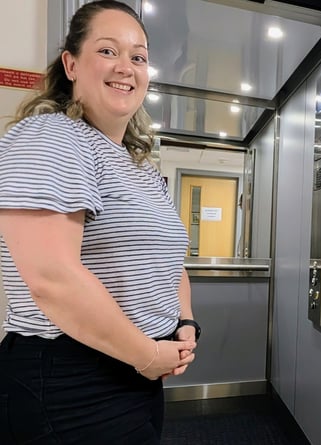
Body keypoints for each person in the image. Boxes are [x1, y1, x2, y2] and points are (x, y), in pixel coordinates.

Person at [0, 1, 199, 443]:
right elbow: (52, 279)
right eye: (108, 51)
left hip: (135, 373)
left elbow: (171, 264)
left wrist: (184, 323)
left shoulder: (141, 166)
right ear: (71, 63)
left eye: (139, 56)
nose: (126, 67)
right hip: (71, 381)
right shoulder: (52, 135)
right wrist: (147, 354)